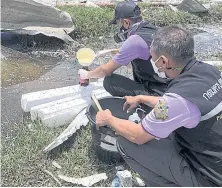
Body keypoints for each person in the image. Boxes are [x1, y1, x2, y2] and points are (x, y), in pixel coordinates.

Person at [96, 26, 222, 186]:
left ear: (163, 61)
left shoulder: (176, 100)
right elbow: (179, 107)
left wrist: (109, 119)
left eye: (153, 58)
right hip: (215, 157)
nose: (154, 64)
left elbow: (138, 135)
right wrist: (142, 98)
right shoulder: (209, 71)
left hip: (209, 178)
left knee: (127, 143)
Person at [78, 0, 171, 98]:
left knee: (110, 81)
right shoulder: (154, 30)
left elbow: (105, 71)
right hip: (171, 88)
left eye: (119, 24)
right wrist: (110, 52)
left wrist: (87, 74)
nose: (120, 28)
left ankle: (145, 104)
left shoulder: (135, 40)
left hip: (157, 94)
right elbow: (142, 52)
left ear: (126, 22)